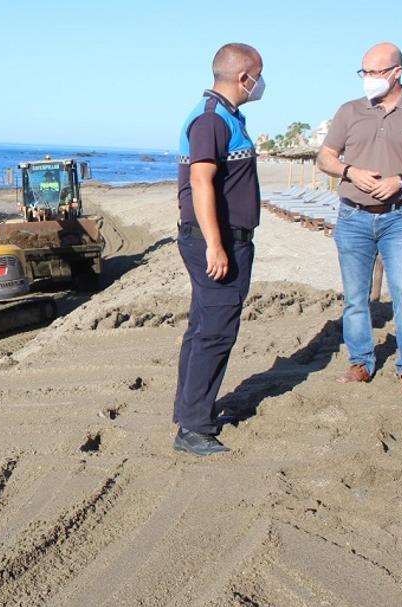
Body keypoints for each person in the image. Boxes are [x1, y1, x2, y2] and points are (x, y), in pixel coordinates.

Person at [317, 43, 402, 396]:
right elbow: (325, 157)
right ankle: (361, 361)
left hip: (400, 217)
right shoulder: (349, 111)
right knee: (355, 296)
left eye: (376, 72)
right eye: (365, 72)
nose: (369, 80)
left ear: (397, 72)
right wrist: (350, 171)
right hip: (353, 217)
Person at [173, 43, 265, 456]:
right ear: (244, 77)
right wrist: (216, 244)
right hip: (218, 239)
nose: (261, 83)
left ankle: (192, 412)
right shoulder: (211, 119)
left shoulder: (224, 116)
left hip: (224, 238)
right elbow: (201, 183)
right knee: (214, 332)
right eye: (258, 75)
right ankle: (194, 428)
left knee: (203, 329)